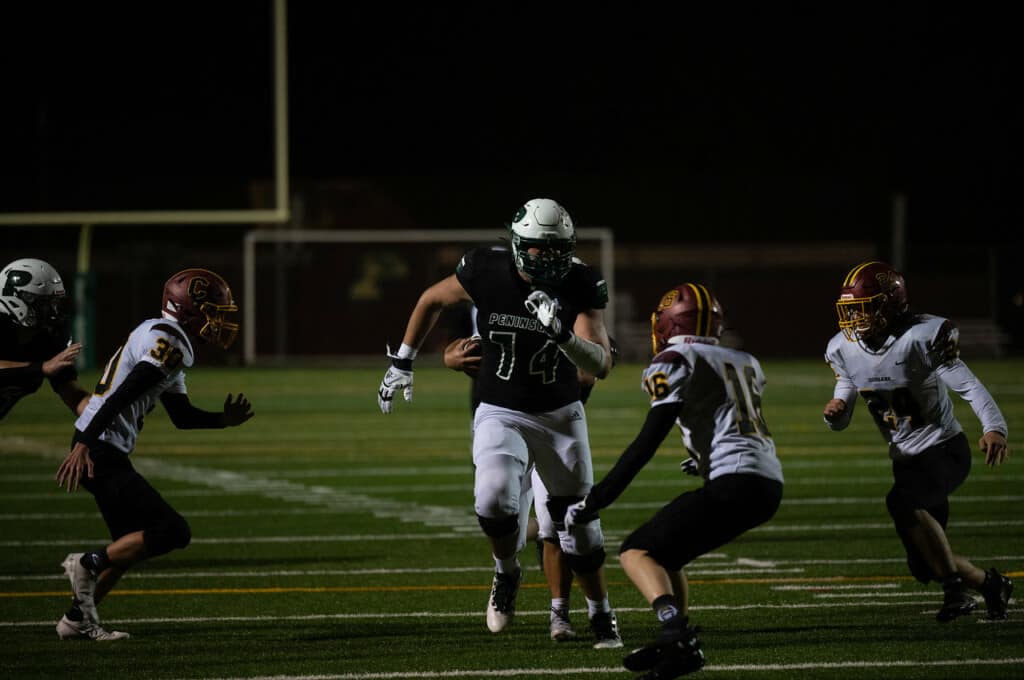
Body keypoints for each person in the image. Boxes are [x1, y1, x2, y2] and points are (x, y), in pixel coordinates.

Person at [378, 198, 622, 648]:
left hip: (560, 413)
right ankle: (506, 571)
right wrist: (404, 360)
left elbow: (602, 365)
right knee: (492, 498)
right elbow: (432, 298)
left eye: (557, 249)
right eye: (539, 250)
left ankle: (601, 614)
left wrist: (563, 336)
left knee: (579, 529)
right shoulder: (485, 269)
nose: (549, 259)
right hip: (500, 406)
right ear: (516, 246)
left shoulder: (581, 281)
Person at [565, 283, 784, 679]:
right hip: (766, 480)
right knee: (667, 556)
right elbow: (724, 418)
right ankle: (677, 639)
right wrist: (702, 459)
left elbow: (649, 439)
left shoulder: (674, 358)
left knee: (636, 552)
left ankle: (676, 634)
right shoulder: (743, 358)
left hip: (735, 478)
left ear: (668, 323)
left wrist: (599, 497)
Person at [53, 268, 255, 641]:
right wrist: (84, 441)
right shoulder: (168, 343)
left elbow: (181, 416)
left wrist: (222, 421)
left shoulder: (164, 338)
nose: (219, 320)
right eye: (213, 310)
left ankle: (77, 619)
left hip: (102, 445)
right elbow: (127, 391)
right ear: (187, 308)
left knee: (129, 544)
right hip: (100, 449)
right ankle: (86, 564)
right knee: (172, 531)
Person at [822, 260, 1013, 622]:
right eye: (851, 310)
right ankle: (990, 584)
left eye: (864, 308)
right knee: (926, 564)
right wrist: (836, 410)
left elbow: (968, 385)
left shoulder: (922, 336)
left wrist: (994, 427)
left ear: (890, 304)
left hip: (943, 448)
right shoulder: (842, 348)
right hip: (906, 458)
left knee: (904, 500)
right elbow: (844, 402)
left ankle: (955, 591)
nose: (856, 318)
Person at [445, 328, 619, 641]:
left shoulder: (574, 321)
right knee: (496, 504)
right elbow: (475, 340)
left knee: (562, 527)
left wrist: (593, 351)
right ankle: (505, 571)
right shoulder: (518, 322)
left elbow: (595, 359)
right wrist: (451, 356)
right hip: (510, 426)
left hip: (556, 435)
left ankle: (563, 614)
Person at [1, 258, 90, 420]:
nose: (53, 311)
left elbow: (74, 396)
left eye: (55, 303)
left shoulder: (47, 340)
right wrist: (40, 368)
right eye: (45, 303)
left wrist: (109, 412)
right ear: (18, 299)